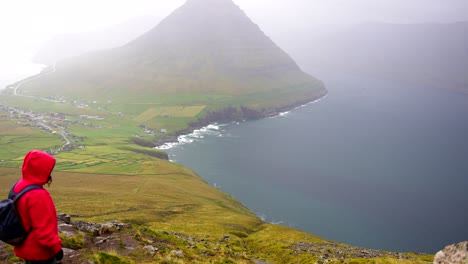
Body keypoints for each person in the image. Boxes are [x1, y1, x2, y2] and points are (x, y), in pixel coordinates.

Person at [12, 150, 63, 264]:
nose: (49, 173)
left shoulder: (19, 185)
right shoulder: (38, 195)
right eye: (48, 170)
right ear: (41, 170)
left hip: (24, 246)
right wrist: (57, 248)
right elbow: (43, 230)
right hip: (39, 252)